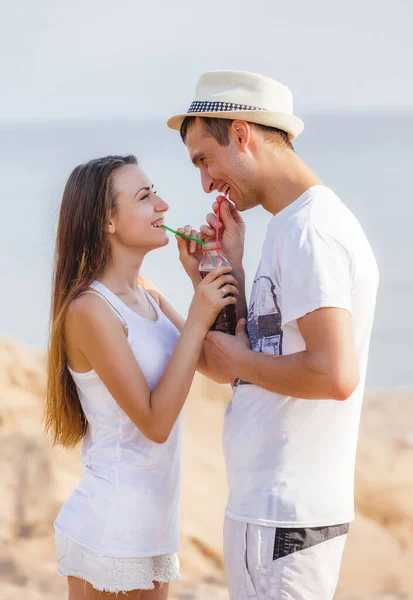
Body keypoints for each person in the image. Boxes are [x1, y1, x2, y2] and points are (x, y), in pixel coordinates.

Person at [167, 70, 379, 600]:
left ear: (242, 135)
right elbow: (232, 365)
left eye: (203, 159)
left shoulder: (310, 231)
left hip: (285, 518)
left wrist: (239, 359)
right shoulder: (289, 227)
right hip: (269, 512)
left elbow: (333, 374)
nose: (205, 182)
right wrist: (223, 273)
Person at [44, 154, 239, 599]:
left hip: (152, 526)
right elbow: (155, 423)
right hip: (113, 530)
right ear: (107, 221)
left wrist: (198, 282)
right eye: (146, 197)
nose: (164, 206)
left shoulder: (146, 293)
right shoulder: (90, 309)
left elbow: (220, 369)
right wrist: (195, 319)